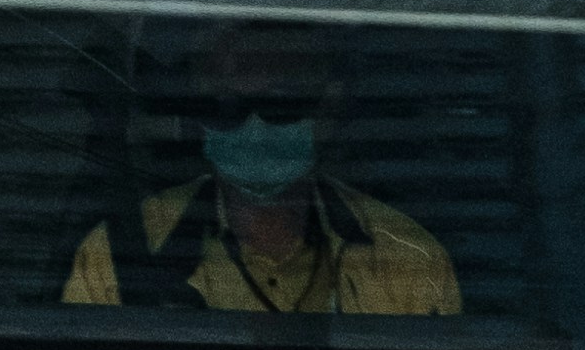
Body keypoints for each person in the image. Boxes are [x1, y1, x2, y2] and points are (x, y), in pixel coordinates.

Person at [64, 25, 460, 318]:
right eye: (231, 106)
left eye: (282, 104)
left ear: (332, 104)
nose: (256, 126)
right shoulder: (118, 255)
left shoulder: (412, 262)